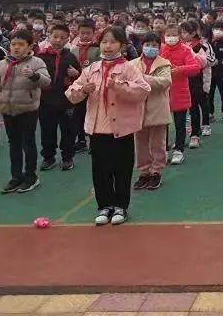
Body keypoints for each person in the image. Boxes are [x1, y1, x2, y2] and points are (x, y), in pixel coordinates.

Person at [65, 26, 151, 225]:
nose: (108, 46)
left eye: (112, 42)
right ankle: (104, 205)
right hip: (97, 128)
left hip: (122, 129)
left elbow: (143, 91)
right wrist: (83, 90)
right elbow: (71, 93)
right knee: (100, 169)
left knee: (122, 168)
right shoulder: (92, 68)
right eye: (104, 42)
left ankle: (121, 205)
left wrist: (119, 86)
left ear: (121, 45)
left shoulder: (129, 67)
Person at [0, 29, 51, 194]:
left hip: (27, 109)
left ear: (29, 46)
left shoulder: (36, 62)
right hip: (7, 109)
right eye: (13, 44)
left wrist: (33, 76)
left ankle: (31, 177)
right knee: (13, 144)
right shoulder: (3, 63)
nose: (16, 48)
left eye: (21, 44)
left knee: (28, 143)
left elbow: (46, 82)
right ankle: (16, 177)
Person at [130, 32, 171, 191]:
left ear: (159, 47)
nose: (150, 48)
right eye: (148, 45)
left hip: (157, 109)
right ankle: (144, 172)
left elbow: (164, 82)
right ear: (142, 46)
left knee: (157, 142)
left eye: (154, 45)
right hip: (138, 109)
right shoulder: (132, 64)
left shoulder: (164, 64)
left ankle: (156, 171)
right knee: (140, 143)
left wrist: (142, 78)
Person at [37, 24, 81, 171]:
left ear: (68, 39)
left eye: (62, 38)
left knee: (68, 130)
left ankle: (67, 157)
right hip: (46, 100)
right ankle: (48, 157)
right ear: (49, 36)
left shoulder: (70, 56)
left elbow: (81, 78)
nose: (58, 40)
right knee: (47, 130)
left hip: (66, 101)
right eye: (55, 36)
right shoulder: (40, 57)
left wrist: (77, 74)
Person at [160, 24, 202, 165]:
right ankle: (163, 151)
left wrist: (179, 69)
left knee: (179, 123)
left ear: (179, 36)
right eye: (168, 35)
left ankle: (179, 149)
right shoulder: (161, 49)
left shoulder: (185, 50)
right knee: (162, 124)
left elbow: (195, 67)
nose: (170, 38)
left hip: (180, 92)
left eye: (173, 35)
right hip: (163, 92)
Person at [181, 21, 216, 144]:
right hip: (187, 79)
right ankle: (194, 131)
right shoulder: (182, 45)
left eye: (185, 32)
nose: (182, 35)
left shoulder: (202, 46)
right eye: (182, 32)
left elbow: (208, 61)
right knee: (192, 106)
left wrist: (192, 54)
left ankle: (204, 125)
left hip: (200, 79)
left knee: (202, 102)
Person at [69, 19, 101, 153]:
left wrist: (80, 72)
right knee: (78, 115)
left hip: (93, 87)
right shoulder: (73, 49)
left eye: (88, 33)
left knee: (93, 114)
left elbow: (99, 69)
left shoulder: (97, 49)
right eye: (82, 33)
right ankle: (81, 140)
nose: (85, 36)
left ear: (94, 33)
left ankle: (94, 141)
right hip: (78, 87)